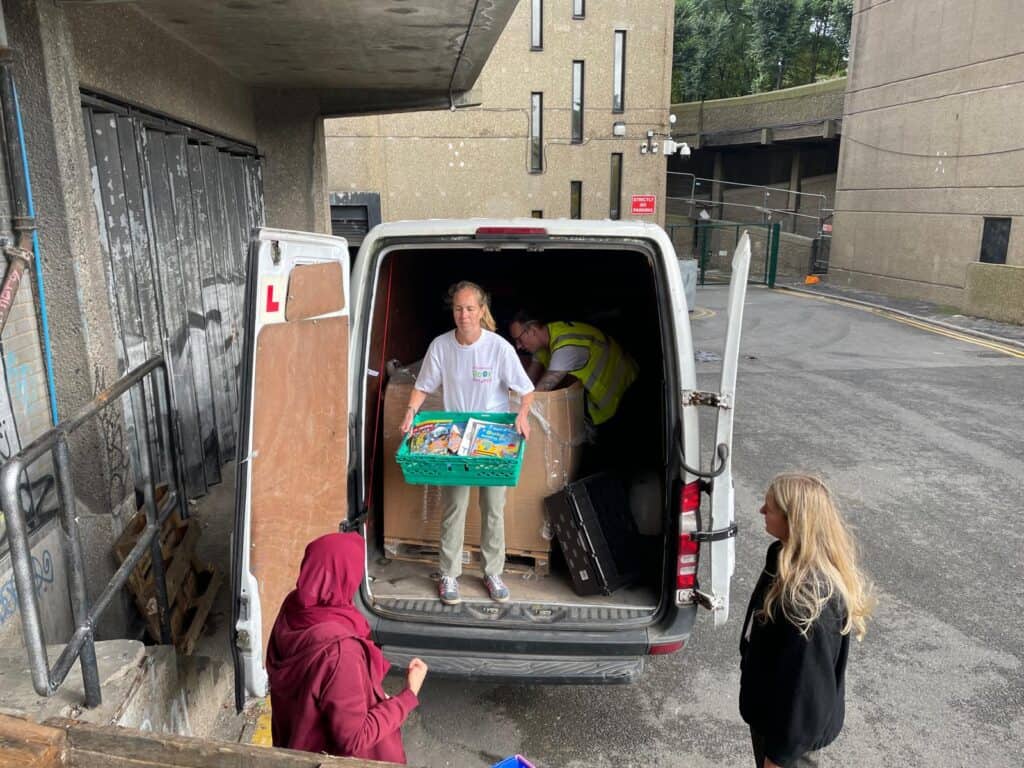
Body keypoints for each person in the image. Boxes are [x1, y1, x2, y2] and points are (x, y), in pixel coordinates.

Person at [400, 281, 535, 605]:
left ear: (481, 310)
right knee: (454, 506)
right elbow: (423, 386)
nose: (464, 315)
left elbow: (526, 389)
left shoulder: (499, 348)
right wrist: (409, 413)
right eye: (458, 308)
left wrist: (523, 415)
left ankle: (492, 572)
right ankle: (448, 574)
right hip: (456, 435)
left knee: (493, 508)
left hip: (492, 437)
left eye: (470, 308)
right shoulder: (441, 346)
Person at [740, 473, 876, 768]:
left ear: (793, 520)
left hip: (789, 737)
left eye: (770, 507)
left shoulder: (809, 598)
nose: (761, 511)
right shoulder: (782, 557)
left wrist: (780, 756)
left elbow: (806, 687)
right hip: (771, 714)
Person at [267, 532, 428, 764]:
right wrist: (408, 695)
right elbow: (354, 739)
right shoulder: (341, 652)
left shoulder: (293, 607)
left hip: (295, 746)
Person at [508, 312, 639, 466]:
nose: (518, 346)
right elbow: (527, 381)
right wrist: (512, 397)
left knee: (615, 457)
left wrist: (514, 415)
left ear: (532, 330)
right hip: (601, 398)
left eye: (519, 339)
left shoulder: (566, 347)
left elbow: (542, 390)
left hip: (625, 390)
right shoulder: (547, 339)